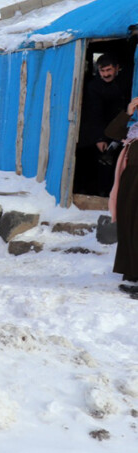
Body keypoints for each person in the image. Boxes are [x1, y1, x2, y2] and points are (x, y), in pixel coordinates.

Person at [76, 55, 130, 196]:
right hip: (103, 130)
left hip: (125, 129)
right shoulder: (94, 86)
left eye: (109, 70)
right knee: (102, 163)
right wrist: (99, 138)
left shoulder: (126, 82)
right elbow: (94, 113)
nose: (106, 74)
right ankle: (102, 193)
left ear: (117, 68)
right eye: (102, 70)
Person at [106, 96, 138, 298]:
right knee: (129, 226)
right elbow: (111, 132)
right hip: (131, 181)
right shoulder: (134, 130)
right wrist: (128, 112)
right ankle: (134, 272)